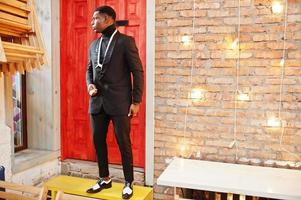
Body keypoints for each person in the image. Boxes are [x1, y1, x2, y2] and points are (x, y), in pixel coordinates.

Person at [85, 5, 144, 199]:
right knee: (98, 141)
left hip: (120, 103)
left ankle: (128, 181)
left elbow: (137, 72)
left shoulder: (125, 42)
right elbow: (89, 70)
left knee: (123, 143)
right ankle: (105, 178)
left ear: (108, 19)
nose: (92, 22)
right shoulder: (94, 45)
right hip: (97, 103)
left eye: (96, 19)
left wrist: (136, 101)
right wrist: (90, 85)